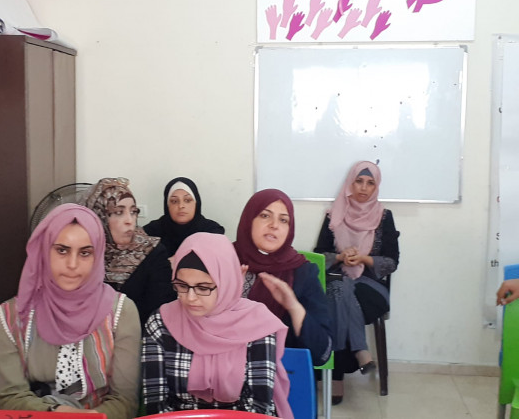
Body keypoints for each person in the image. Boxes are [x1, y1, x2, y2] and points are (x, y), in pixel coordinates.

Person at [0, 204, 141, 417]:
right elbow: (10, 396)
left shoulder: (121, 313)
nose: (72, 264)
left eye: (85, 253)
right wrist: (55, 413)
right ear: (44, 250)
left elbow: (125, 400)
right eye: (62, 250)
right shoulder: (13, 316)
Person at [142, 232, 293, 418]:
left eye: (203, 288)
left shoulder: (257, 324)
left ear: (226, 282)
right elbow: (156, 403)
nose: (190, 297)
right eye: (182, 285)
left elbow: (258, 405)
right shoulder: (161, 322)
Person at [314, 161, 399, 403]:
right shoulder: (334, 215)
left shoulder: (384, 217)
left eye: (370, 183)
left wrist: (363, 259)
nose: (363, 187)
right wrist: (340, 257)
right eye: (359, 181)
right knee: (339, 291)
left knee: (337, 298)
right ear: (350, 184)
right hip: (338, 282)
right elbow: (318, 255)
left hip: (371, 288)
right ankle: (361, 351)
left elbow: (392, 262)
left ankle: (335, 377)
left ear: (376, 187)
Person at [233, 189, 333, 368]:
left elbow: (322, 352)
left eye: (283, 220)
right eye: (265, 215)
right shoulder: (224, 261)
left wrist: (293, 306)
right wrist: (229, 301)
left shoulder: (302, 273)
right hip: (220, 368)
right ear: (249, 220)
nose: (274, 225)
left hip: (278, 373)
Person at [83, 177, 176, 326]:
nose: (130, 220)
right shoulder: (84, 253)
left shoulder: (152, 252)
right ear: (98, 216)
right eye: (119, 212)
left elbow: (160, 314)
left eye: (133, 212)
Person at [143, 177, 224, 257]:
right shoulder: (151, 231)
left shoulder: (212, 231)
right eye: (174, 201)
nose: (181, 206)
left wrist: (176, 259)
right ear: (167, 206)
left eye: (187, 200)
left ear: (196, 204)